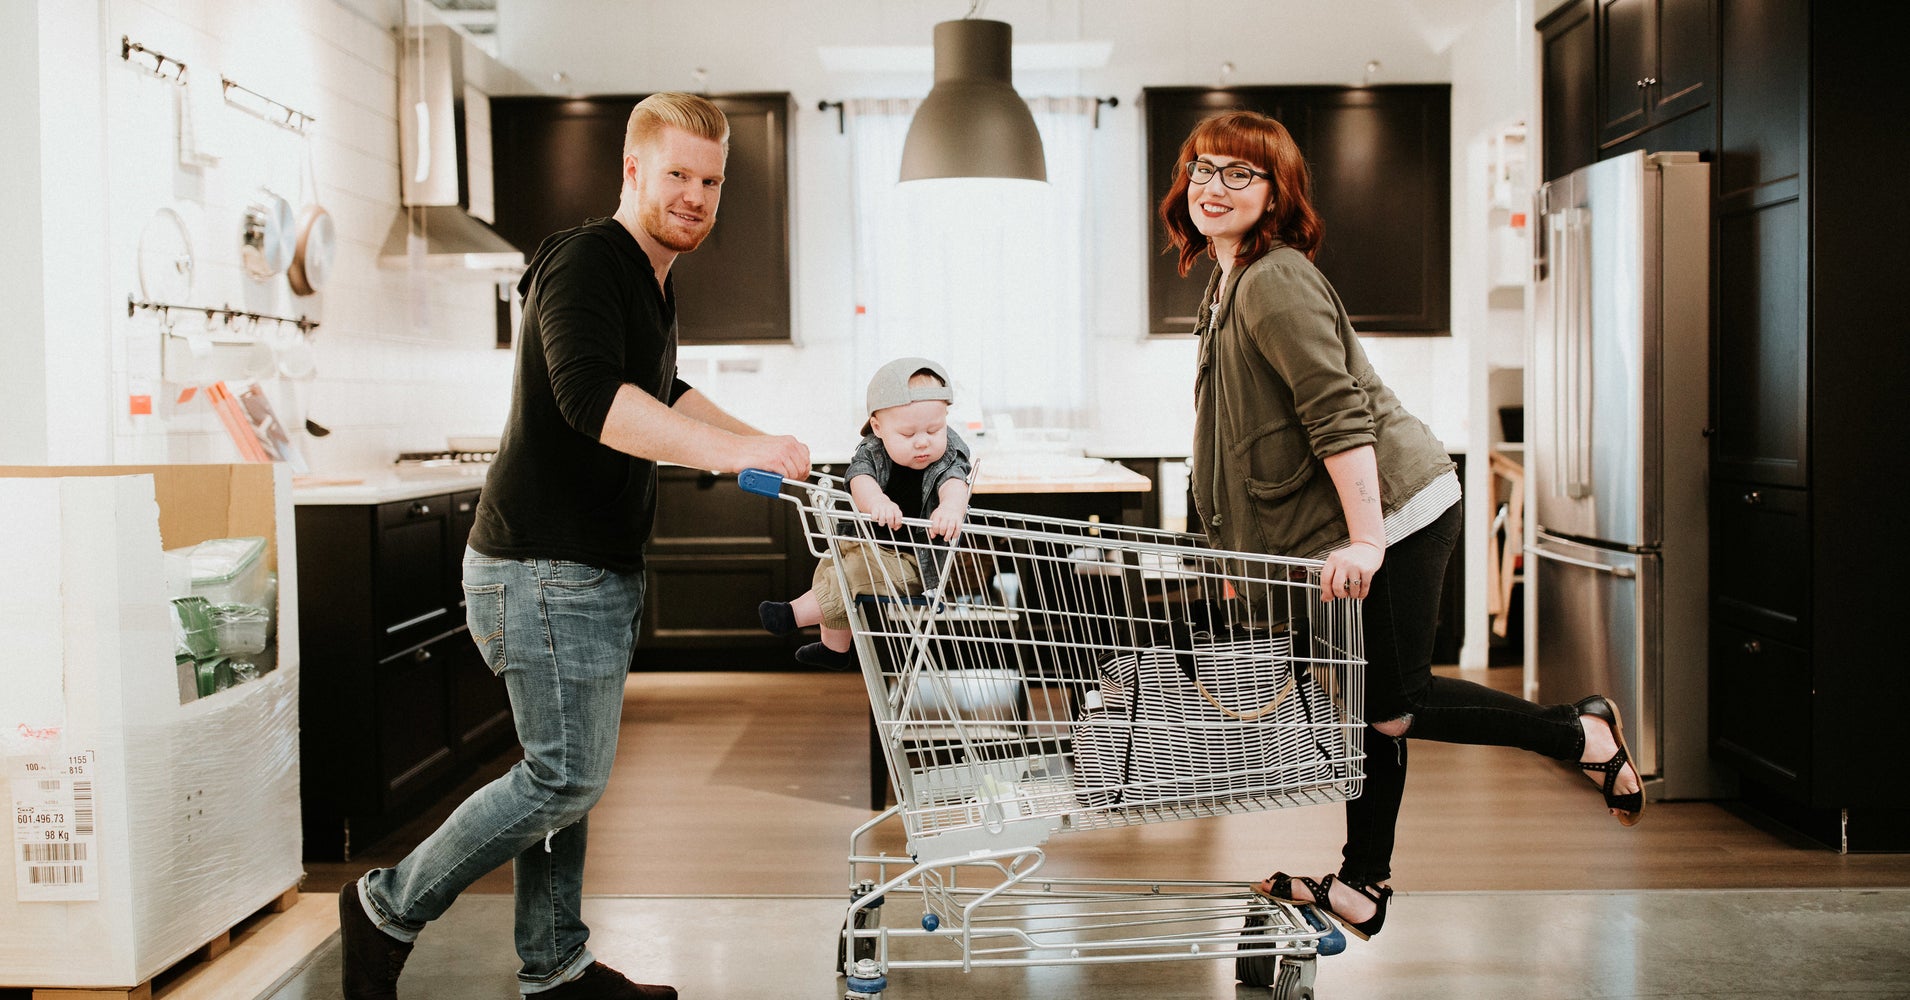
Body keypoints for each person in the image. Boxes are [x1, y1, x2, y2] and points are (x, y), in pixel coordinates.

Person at [335, 93, 810, 1000]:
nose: (696, 196)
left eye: (711, 182)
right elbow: (594, 403)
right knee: (563, 779)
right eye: (677, 174)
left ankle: (556, 967)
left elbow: (663, 390)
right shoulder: (588, 260)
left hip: (583, 568)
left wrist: (763, 443)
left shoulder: (650, 276)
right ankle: (386, 907)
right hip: (541, 568)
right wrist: (736, 455)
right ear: (632, 170)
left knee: (563, 777)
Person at [1159, 110, 1643, 942]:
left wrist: (1368, 539)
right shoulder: (1227, 279)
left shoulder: (1274, 279)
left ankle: (1581, 732)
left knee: (1393, 705)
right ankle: (1363, 887)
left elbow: (1337, 415)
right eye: (1204, 168)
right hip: (1349, 526)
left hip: (1396, 513)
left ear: (1277, 193)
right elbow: (1231, 434)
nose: (1215, 185)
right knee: (1366, 705)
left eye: (1241, 173)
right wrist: (1236, 556)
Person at [757, 357, 972, 669]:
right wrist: (876, 502)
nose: (923, 441)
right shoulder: (871, 450)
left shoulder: (949, 455)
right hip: (868, 545)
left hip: (912, 563)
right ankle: (834, 647)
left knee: (854, 573)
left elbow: (954, 483)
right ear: (878, 428)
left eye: (934, 429)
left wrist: (950, 508)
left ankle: (794, 615)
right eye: (908, 434)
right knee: (832, 565)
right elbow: (860, 480)